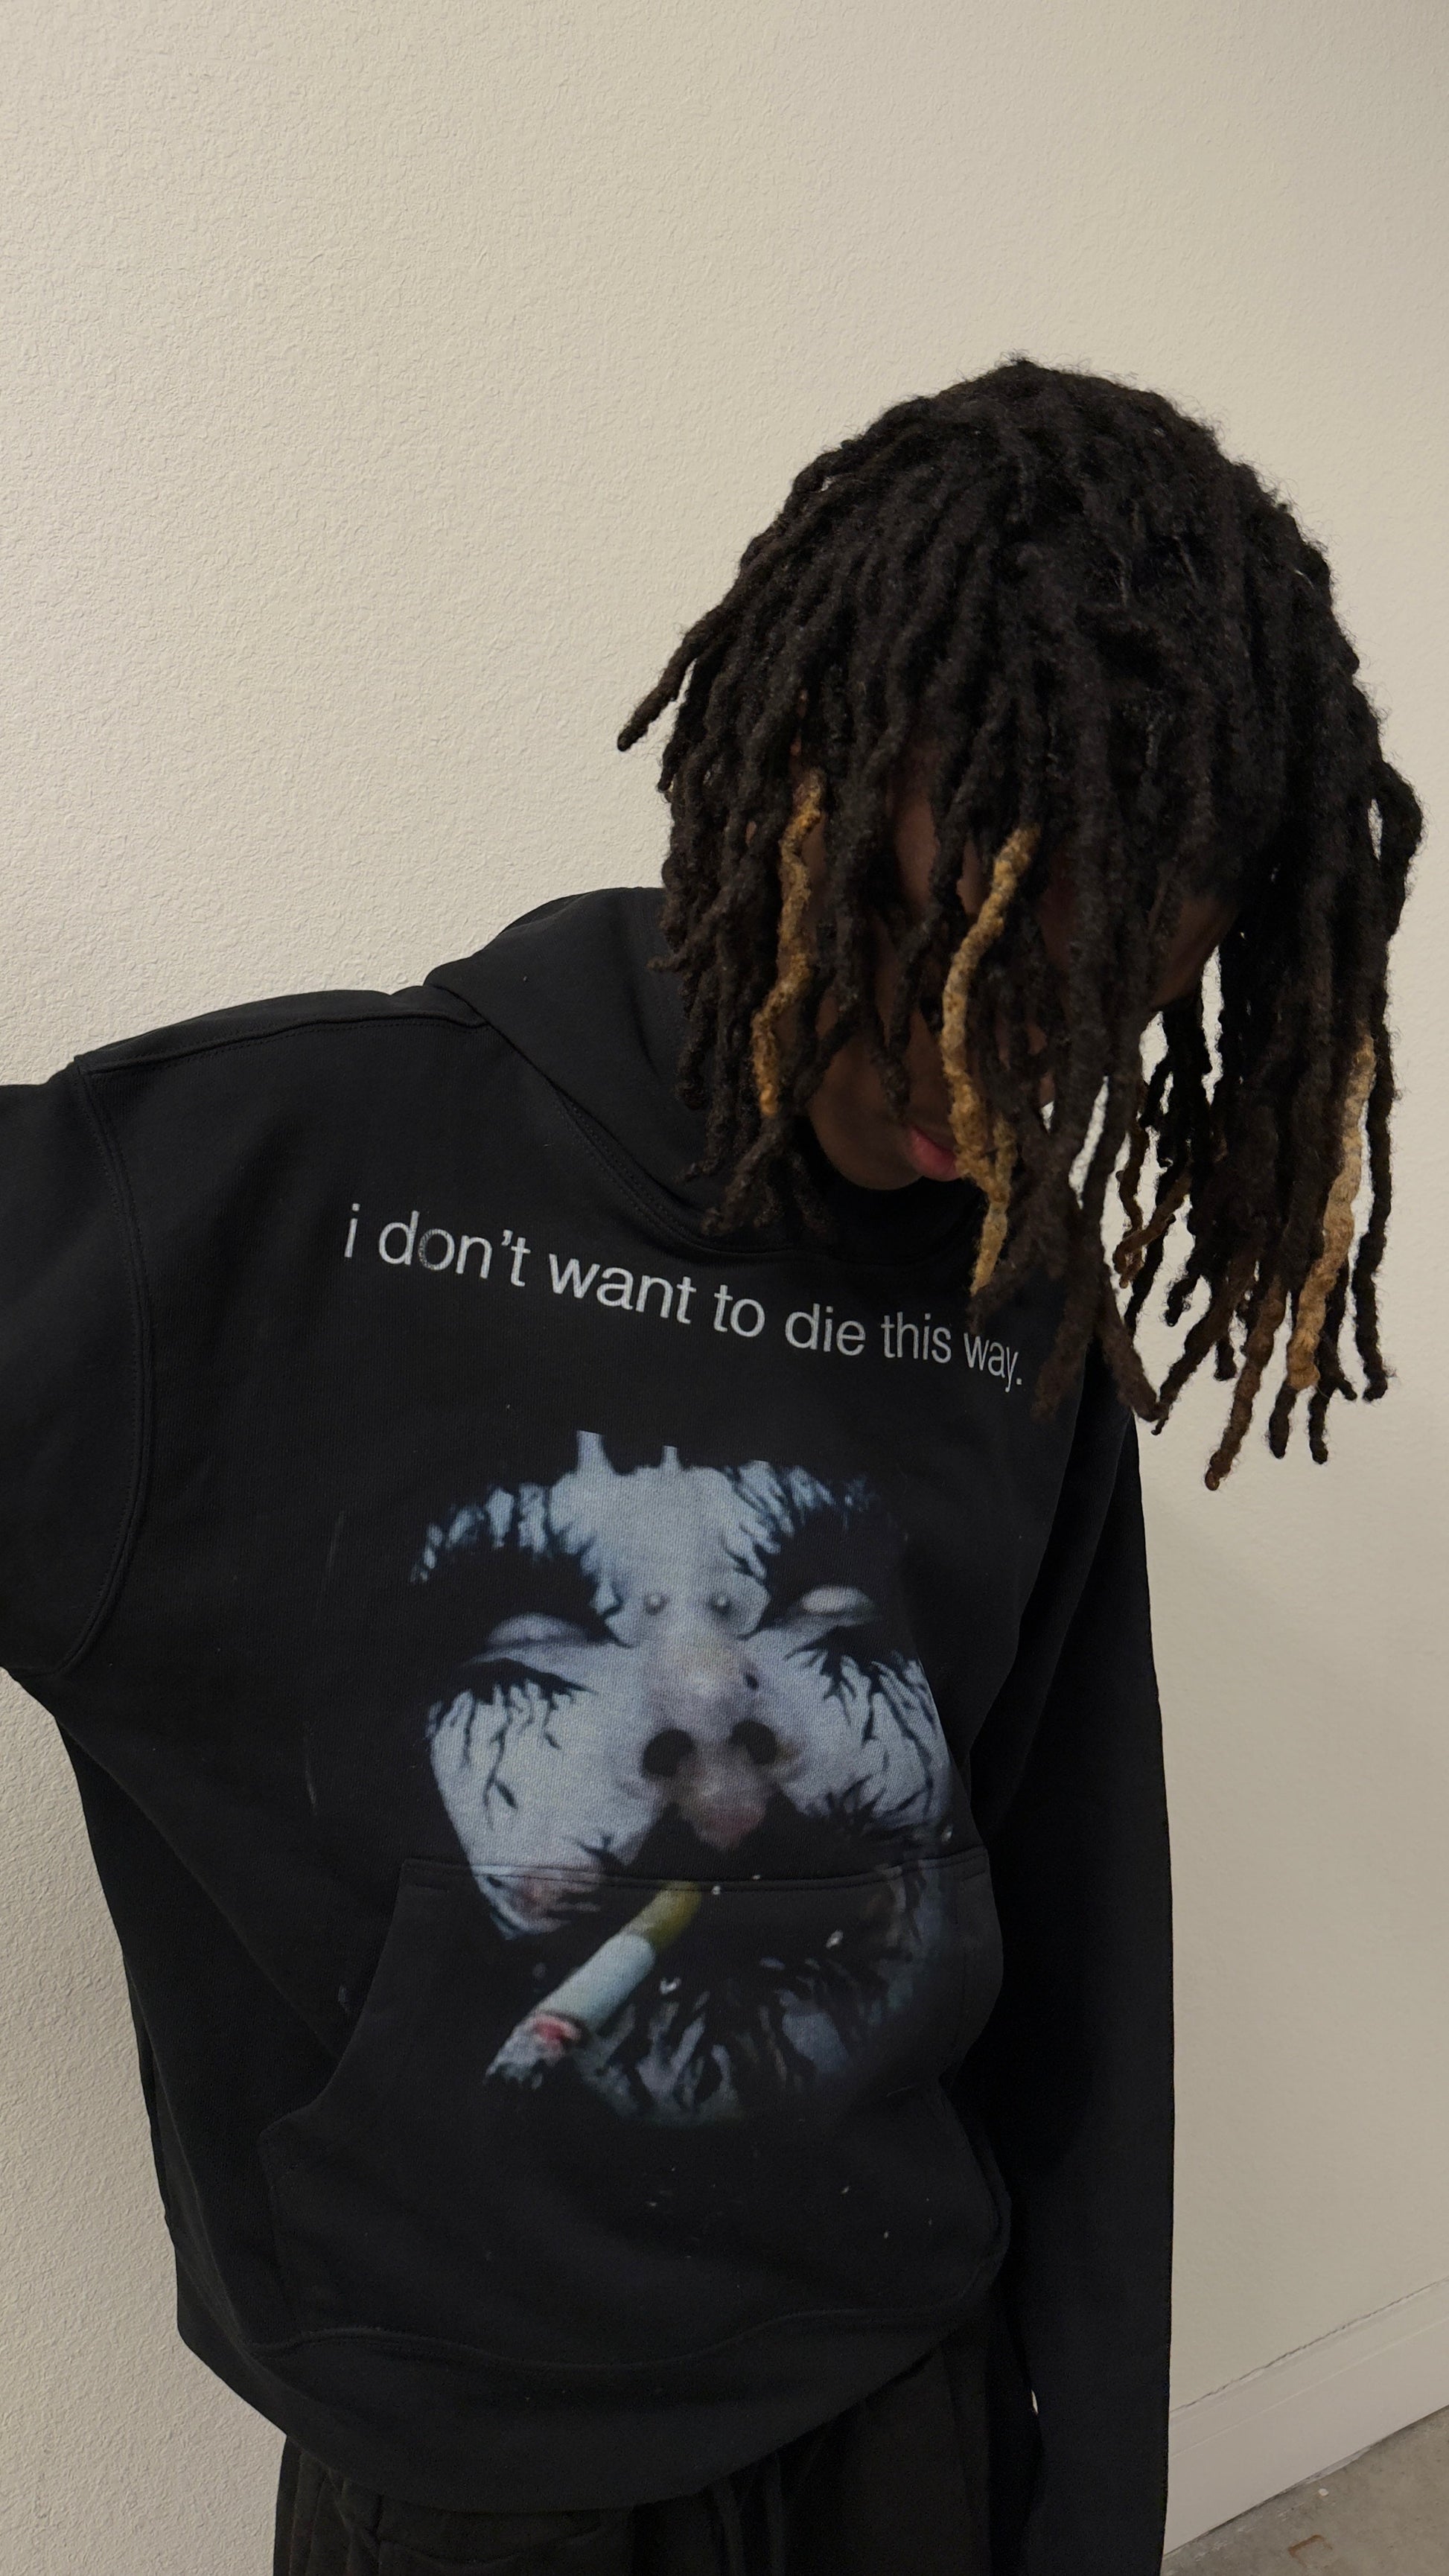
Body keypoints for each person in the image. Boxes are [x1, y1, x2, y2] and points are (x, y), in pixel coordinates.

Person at [0, 359, 1419, 2576]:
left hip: (912, 2407)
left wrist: (1090, 2492)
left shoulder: (1009, 1288)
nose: (990, 1088)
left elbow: (1075, 1939)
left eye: (1085, 1022)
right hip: (475, 2491)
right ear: (795, 782)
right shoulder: (250, 1194)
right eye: (945, 961)